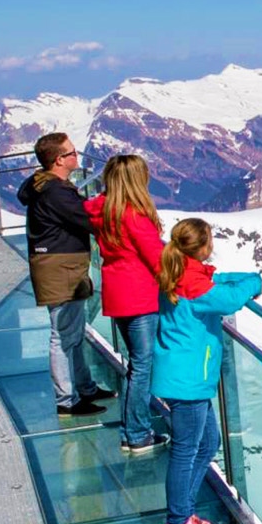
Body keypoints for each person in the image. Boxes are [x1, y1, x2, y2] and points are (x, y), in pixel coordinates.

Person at [152, 218, 262, 524]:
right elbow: (227, 301)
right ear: (202, 246)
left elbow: (215, 280)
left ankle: (184, 511)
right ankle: (178, 522)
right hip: (188, 380)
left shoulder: (182, 272)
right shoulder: (193, 284)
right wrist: (255, 281)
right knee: (186, 450)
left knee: (207, 443)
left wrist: (234, 277)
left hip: (186, 377)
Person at [18, 132, 114, 417]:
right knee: (62, 335)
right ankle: (67, 400)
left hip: (58, 264)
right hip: (62, 267)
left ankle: (84, 388)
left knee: (73, 330)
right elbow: (87, 220)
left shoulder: (41, 184)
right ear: (59, 160)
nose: (77, 157)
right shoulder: (57, 191)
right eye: (72, 153)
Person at [85, 154, 169, 456]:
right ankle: (137, 433)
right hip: (140, 296)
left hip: (116, 295)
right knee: (142, 367)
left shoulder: (100, 210)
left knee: (136, 364)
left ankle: (134, 429)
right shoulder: (133, 215)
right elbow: (157, 259)